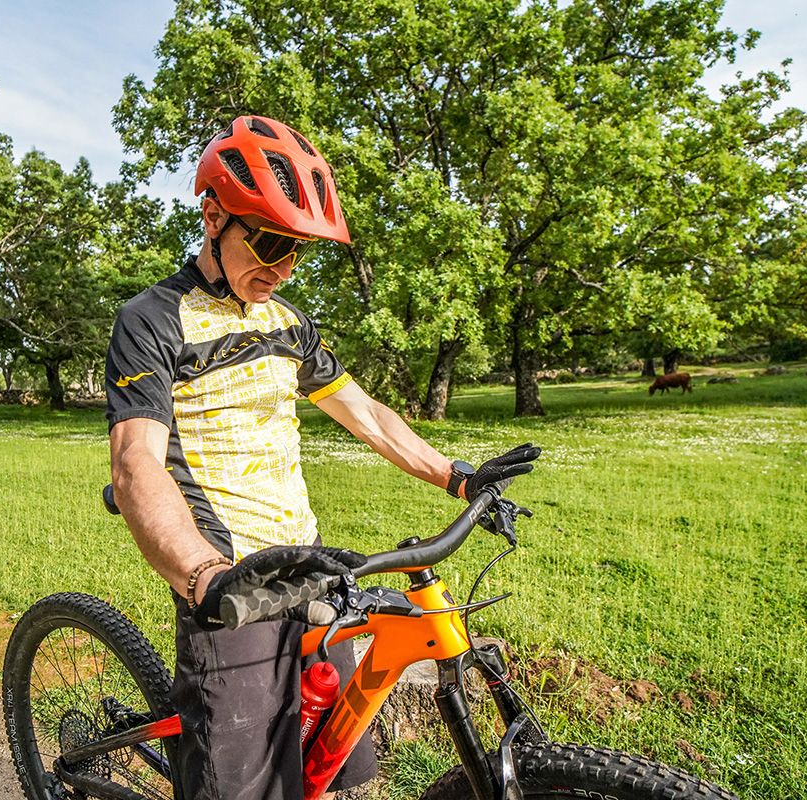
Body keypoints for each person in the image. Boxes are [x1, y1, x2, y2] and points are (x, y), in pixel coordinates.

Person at [104, 115, 538, 800]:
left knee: (327, 764)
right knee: (237, 787)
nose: (279, 268)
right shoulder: (151, 319)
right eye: (269, 241)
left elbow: (364, 413)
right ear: (213, 216)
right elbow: (135, 464)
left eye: (296, 250)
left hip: (308, 562)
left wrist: (457, 476)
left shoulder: (289, 323)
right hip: (228, 576)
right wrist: (203, 576)